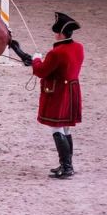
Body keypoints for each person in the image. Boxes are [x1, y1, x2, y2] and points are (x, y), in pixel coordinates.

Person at [30, 12, 84, 179]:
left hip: (59, 92)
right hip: (73, 89)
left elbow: (41, 71)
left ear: (60, 34)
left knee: (57, 127)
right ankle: (67, 164)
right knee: (66, 128)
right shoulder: (78, 47)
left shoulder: (57, 52)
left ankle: (66, 167)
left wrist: (36, 59)